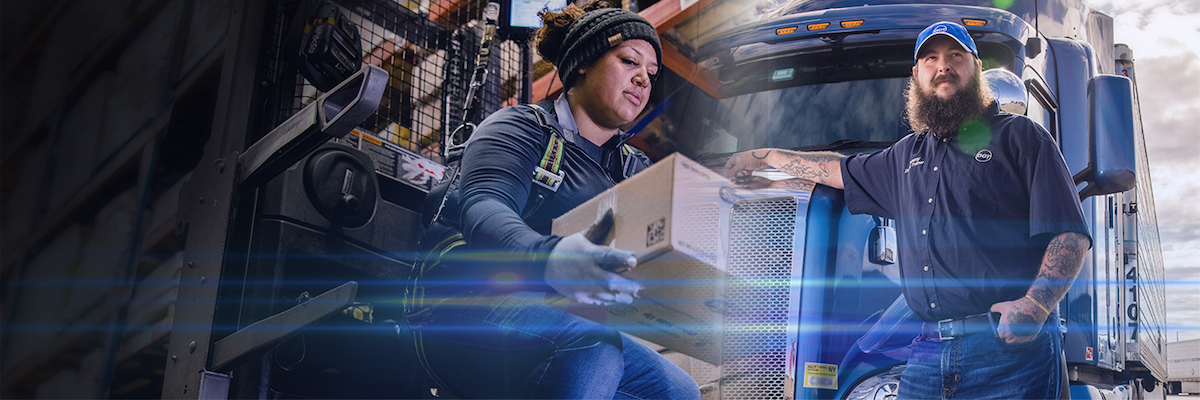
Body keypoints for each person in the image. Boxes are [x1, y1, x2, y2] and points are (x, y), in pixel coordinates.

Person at [723, 21, 1091, 399]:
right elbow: (835, 170)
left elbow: (1070, 235)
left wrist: (1035, 306)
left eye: (955, 55)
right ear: (916, 75)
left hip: (1007, 354)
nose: (942, 66)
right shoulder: (904, 156)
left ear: (977, 67)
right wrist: (764, 158)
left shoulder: (1022, 136)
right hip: (928, 353)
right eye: (930, 59)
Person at [406, 1, 700, 398]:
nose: (642, 80)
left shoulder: (633, 170)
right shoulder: (521, 128)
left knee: (676, 391)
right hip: (459, 307)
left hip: (557, 320)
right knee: (593, 344)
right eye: (630, 61)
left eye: (651, 73)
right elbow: (483, 209)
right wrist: (551, 258)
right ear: (583, 62)